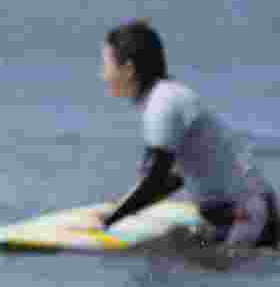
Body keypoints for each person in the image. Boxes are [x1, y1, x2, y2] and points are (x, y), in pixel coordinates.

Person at [98, 19, 278, 247]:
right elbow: (172, 179)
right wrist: (120, 209)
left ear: (129, 70)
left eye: (106, 66)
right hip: (243, 211)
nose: (103, 75)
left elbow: (155, 180)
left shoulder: (163, 104)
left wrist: (109, 221)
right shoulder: (164, 98)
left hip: (247, 216)